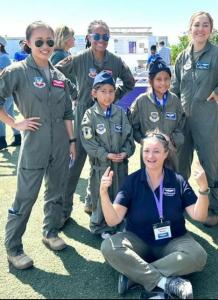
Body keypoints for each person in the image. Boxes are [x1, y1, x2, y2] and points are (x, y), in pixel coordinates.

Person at [0, 21, 76, 270]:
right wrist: (14, 122)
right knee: (26, 196)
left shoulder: (58, 76)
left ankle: (50, 232)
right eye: (39, 41)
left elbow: (67, 112)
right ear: (29, 43)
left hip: (61, 145)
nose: (45, 46)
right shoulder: (17, 71)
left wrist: (72, 141)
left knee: (56, 191)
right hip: (35, 144)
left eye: (50, 41)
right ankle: (13, 247)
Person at [100, 131, 209, 299]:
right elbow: (113, 219)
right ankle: (167, 283)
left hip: (174, 240)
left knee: (198, 256)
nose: (150, 156)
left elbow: (199, 216)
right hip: (138, 240)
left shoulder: (177, 180)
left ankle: (134, 276)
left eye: (156, 151)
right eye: (146, 151)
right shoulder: (132, 181)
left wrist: (203, 189)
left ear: (166, 154)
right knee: (108, 246)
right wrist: (103, 193)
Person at [56, 20, 135, 223]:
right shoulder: (79, 58)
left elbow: (130, 82)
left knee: (103, 163)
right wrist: (74, 93)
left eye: (106, 36)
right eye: (97, 36)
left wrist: (112, 98)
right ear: (89, 38)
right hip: (84, 115)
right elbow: (56, 73)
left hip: (108, 119)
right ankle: (64, 211)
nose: (102, 40)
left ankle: (93, 203)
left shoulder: (116, 61)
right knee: (74, 166)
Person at [171, 11, 218, 227]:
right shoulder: (182, 56)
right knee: (180, 164)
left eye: (205, 25)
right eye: (196, 25)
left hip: (207, 119)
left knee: (211, 164)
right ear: (189, 29)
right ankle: (181, 202)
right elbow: (175, 86)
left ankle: (214, 208)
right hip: (183, 121)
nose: (200, 29)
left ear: (210, 30)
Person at [81, 70, 135, 238]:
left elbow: (129, 138)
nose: (107, 95)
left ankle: (119, 223)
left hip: (120, 165)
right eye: (103, 91)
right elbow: (88, 142)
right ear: (94, 93)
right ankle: (100, 226)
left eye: (111, 91)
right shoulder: (90, 115)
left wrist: (125, 153)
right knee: (101, 196)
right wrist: (106, 155)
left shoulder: (120, 113)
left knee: (120, 195)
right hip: (101, 167)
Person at [130, 56, 185, 171]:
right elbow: (133, 127)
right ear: (151, 81)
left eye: (166, 79)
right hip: (150, 157)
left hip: (170, 154)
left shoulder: (175, 101)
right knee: (149, 184)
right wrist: (144, 141)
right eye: (159, 79)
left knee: (169, 185)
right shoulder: (141, 101)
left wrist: (172, 140)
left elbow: (181, 126)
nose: (163, 83)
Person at [0, 36, 21, 150]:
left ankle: (1, 140)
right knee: (10, 114)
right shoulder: (3, 57)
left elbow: (3, 75)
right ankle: (17, 137)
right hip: (6, 91)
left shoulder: (3, 58)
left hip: (4, 91)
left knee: (2, 115)